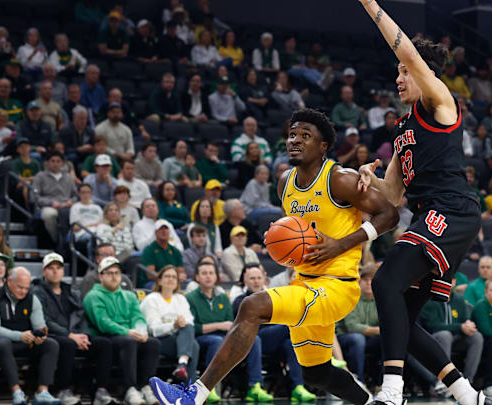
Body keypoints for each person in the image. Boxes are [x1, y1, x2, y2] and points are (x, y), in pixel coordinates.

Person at [149, 107, 398, 405]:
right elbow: (294, 235)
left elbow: (390, 214)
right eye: (292, 134)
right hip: (304, 283)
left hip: (337, 286)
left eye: (306, 135)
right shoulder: (285, 183)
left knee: (251, 306)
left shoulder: (340, 179)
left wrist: (341, 244)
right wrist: (282, 245)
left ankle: (194, 395)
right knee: (316, 373)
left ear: (323, 147)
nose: (295, 140)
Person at [351, 4, 492, 403]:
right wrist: (365, 180)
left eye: (403, 71)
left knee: (382, 282)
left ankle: (391, 391)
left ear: (422, 73)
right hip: (435, 214)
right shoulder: (403, 129)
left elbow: (411, 55)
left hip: (450, 209)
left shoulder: (441, 104)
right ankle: (471, 397)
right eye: (397, 71)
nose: (399, 77)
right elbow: (392, 195)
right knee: (403, 321)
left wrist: (372, 6)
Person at [32, 253, 114, 405]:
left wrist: (82, 335)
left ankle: (101, 392)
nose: (55, 271)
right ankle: (63, 390)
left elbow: (81, 316)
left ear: (63, 271)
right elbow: (45, 321)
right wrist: (70, 335)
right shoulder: (37, 292)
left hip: (74, 335)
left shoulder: (72, 292)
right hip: (52, 335)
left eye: (58, 268)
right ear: (44, 271)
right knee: (67, 344)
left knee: (104, 343)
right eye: (51, 268)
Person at [185, 259, 270, 402]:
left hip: (223, 337)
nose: (208, 276)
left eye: (211, 273)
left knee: (254, 339)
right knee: (216, 341)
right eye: (204, 273)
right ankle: (208, 388)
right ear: (197, 277)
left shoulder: (223, 297)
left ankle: (255, 385)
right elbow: (194, 328)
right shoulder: (190, 298)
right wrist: (218, 325)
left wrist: (225, 327)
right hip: (201, 339)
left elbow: (232, 324)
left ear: (217, 277)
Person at [83, 256, 161, 405]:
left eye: (117, 273)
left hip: (129, 335)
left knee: (153, 343)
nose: (114, 277)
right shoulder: (93, 296)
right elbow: (103, 322)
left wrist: (141, 331)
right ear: (101, 276)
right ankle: (129, 389)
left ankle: (145, 386)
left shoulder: (129, 296)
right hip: (106, 336)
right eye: (109, 273)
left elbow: (137, 316)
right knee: (129, 342)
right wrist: (128, 332)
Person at [232, 264, 316, 401]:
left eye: (259, 278)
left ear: (264, 279)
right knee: (289, 326)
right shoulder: (240, 301)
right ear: (245, 281)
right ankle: (255, 386)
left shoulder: (273, 298)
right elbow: (249, 325)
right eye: (252, 278)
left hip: (274, 339)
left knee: (291, 342)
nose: (256, 281)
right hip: (252, 341)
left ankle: (298, 387)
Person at [0, 267, 61, 405]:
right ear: (9, 281)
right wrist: (19, 335)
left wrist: (41, 333)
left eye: (26, 288)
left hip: (26, 341)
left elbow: (39, 324)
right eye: (20, 287)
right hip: (3, 343)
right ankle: (16, 392)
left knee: (51, 344)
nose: (24, 291)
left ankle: (42, 392)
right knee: (2, 343)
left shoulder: (32, 299)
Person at [419, 275, 483, 386]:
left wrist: (468, 325)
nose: (446, 283)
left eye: (449, 280)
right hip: (433, 339)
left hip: (454, 339)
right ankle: (443, 381)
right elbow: (432, 326)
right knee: (445, 335)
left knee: (476, 336)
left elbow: (465, 320)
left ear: (454, 282)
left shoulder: (459, 299)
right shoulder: (430, 299)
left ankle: (468, 381)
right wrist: (460, 327)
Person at [140, 265, 200, 381]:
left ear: (177, 282)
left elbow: (189, 322)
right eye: (167, 276)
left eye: (174, 277)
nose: (170, 279)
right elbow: (153, 329)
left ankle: (182, 366)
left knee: (190, 333)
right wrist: (173, 326)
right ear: (159, 280)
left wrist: (179, 325)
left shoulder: (180, 299)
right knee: (193, 345)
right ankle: (188, 384)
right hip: (157, 340)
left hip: (178, 338)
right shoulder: (151, 299)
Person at [336, 264, 382, 384]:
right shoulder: (351, 297)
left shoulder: (381, 300)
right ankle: (358, 381)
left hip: (369, 338)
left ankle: (382, 383)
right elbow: (352, 326)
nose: (368, 283)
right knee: (357, 339)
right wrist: (379, 330)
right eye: (365, 280)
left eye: (372, 280)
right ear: (359, 281)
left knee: (390, 340)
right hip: (344, 337)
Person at [34, 151, 77, 245]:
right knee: (49, 215)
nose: (55, 164)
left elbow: (76, 195)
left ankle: (71, 241)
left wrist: (70, 201)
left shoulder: (68, 177)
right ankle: (57, 240)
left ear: (62, 163)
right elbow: (35, 197)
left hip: (66, 205)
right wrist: (51, 203)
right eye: (52, 161)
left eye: (58, 161)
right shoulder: (40, 176)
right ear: (47, 162)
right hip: (49, 205)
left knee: (77, 213)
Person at [140, 219, 186, 288]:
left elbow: (181, 272)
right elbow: (150, 275)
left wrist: (181, 276)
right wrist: (168, 278)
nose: (164, 231)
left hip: (173, 280)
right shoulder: (149, 250)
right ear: (156, 232)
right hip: (154, 282)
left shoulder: (175, 251)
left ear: (169, 232)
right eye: (161, 229)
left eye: (166, 229)